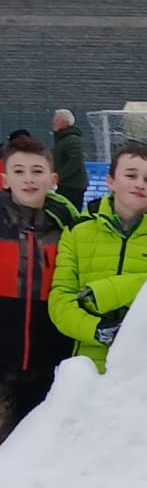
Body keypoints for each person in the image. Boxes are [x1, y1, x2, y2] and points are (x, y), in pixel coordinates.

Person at [47, 142, 147, 373]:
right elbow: (60, 300)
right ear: (111, 181)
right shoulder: (77, 231)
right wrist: (97, 329)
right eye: (131, 175)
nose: (139, 184)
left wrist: (104, 292)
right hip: (87, 366)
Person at [0, 134, 81, 439]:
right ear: (5, 179)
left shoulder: (70, 227)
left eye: (37, 171)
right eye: (19, 171)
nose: (29, 179)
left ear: (54, 179)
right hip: (2, 360)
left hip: (49, 361)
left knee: (38, 448)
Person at [50, 109, 88, 210]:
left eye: (56, 119)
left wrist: (59, 176)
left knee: (66, 211)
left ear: (65, 123)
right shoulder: (62, 139)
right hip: (67, 184)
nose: (53, 122)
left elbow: (76, 160)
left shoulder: (72, 139)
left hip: (72, 185)